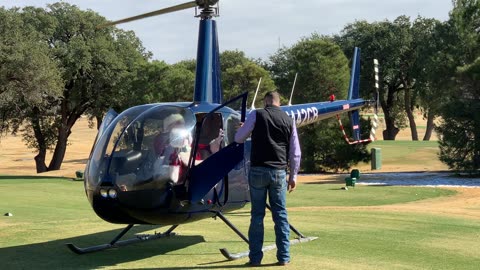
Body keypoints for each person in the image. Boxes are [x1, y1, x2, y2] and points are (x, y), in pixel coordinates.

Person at [234, 91, 301, 266]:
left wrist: (245, 128)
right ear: (279, 103)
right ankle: (284, 257)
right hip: (279, 172)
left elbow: (239, 138)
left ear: (265, 102)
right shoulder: (289, 119)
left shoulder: (256, 114)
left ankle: (255, 258)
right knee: (280, 215)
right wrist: (293, 176)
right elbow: (295, 153)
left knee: (257, 216)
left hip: (257, 170)